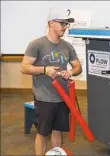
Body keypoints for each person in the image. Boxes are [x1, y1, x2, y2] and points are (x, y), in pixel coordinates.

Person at [20, 8, 82, 155]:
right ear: (51, 23)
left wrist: (71, 72)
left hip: (63, 97)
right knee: (42, 133)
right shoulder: (37, 44)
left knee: (58, 131)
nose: (65, 27)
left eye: (67, 24)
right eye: (62, 23)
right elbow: (24, 67)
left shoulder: (67, 46)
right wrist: (44, 70)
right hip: (44, 97)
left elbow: (78, 66)